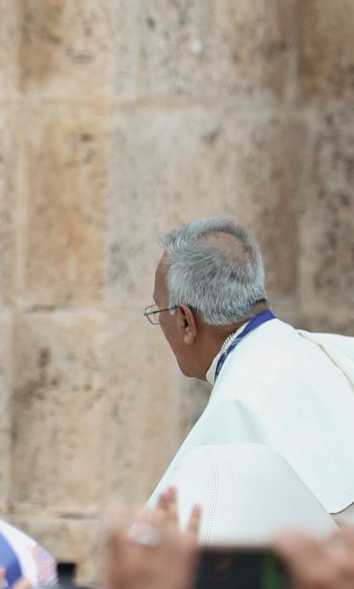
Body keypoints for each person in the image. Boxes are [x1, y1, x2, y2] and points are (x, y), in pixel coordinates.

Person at [147, 217, 354, 522]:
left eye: (159, 311)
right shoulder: (337, 351)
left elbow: (165, 550)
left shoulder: (238, 404)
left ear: (186, 322)